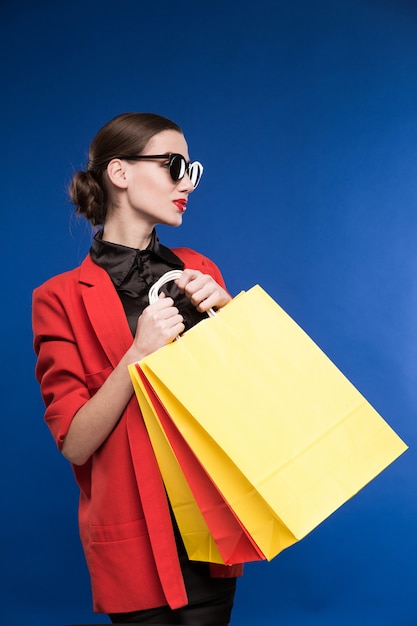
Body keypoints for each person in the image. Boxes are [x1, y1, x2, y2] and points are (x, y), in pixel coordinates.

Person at [32, 112, 243, 625]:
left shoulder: (200, 271)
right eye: (174, 165)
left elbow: (243, 402)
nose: (185, 183)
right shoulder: (57, 298)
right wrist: (137, 355)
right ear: (120, 173)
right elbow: (76, 443)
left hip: (209, 531)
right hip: (134, 542)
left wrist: (231, 316)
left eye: (192, 170)